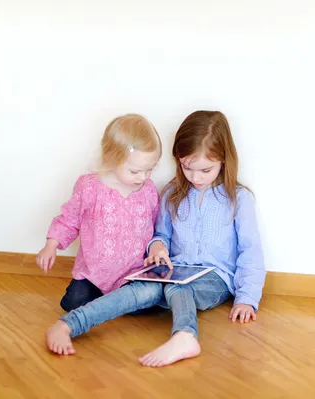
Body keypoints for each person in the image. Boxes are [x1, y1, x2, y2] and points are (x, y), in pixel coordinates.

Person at [45, 110, 266, 367]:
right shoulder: (172, 193)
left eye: (205, 170)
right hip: (174, 270)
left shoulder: (239, 199)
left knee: (177, 287)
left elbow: (250, 252)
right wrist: (158, 247)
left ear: (225, 161)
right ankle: (68, 324)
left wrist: (247, 298)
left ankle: (185, 335)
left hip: (214, 277)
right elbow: (159, 235)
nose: (195, 178)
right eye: (187, 167)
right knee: (139, 289)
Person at [36, 114, 162, 312]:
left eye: (149, 170)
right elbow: (70, 219)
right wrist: (51, 245)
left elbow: (157, 226)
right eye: (135, 171)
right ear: (111, 159)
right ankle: (114, 303)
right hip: (93, 274)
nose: (143, 177)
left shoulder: (148, 190)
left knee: (152, 297)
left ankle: (116, 302)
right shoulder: (89, 187)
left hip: (132, 273)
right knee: (73, 303)